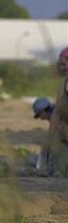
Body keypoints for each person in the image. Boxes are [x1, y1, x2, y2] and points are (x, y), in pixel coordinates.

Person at [46, 46, 68, 177]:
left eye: (64, 64)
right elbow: (57, 112)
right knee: (58, 172)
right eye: (60, 65)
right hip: (63, 135)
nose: (62, 68)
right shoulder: (63, 83)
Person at [31, 97, 55, 175]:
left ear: (44, 110)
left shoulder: (57, 117)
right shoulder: (54, 117)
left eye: (39, 114)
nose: (40, 119)